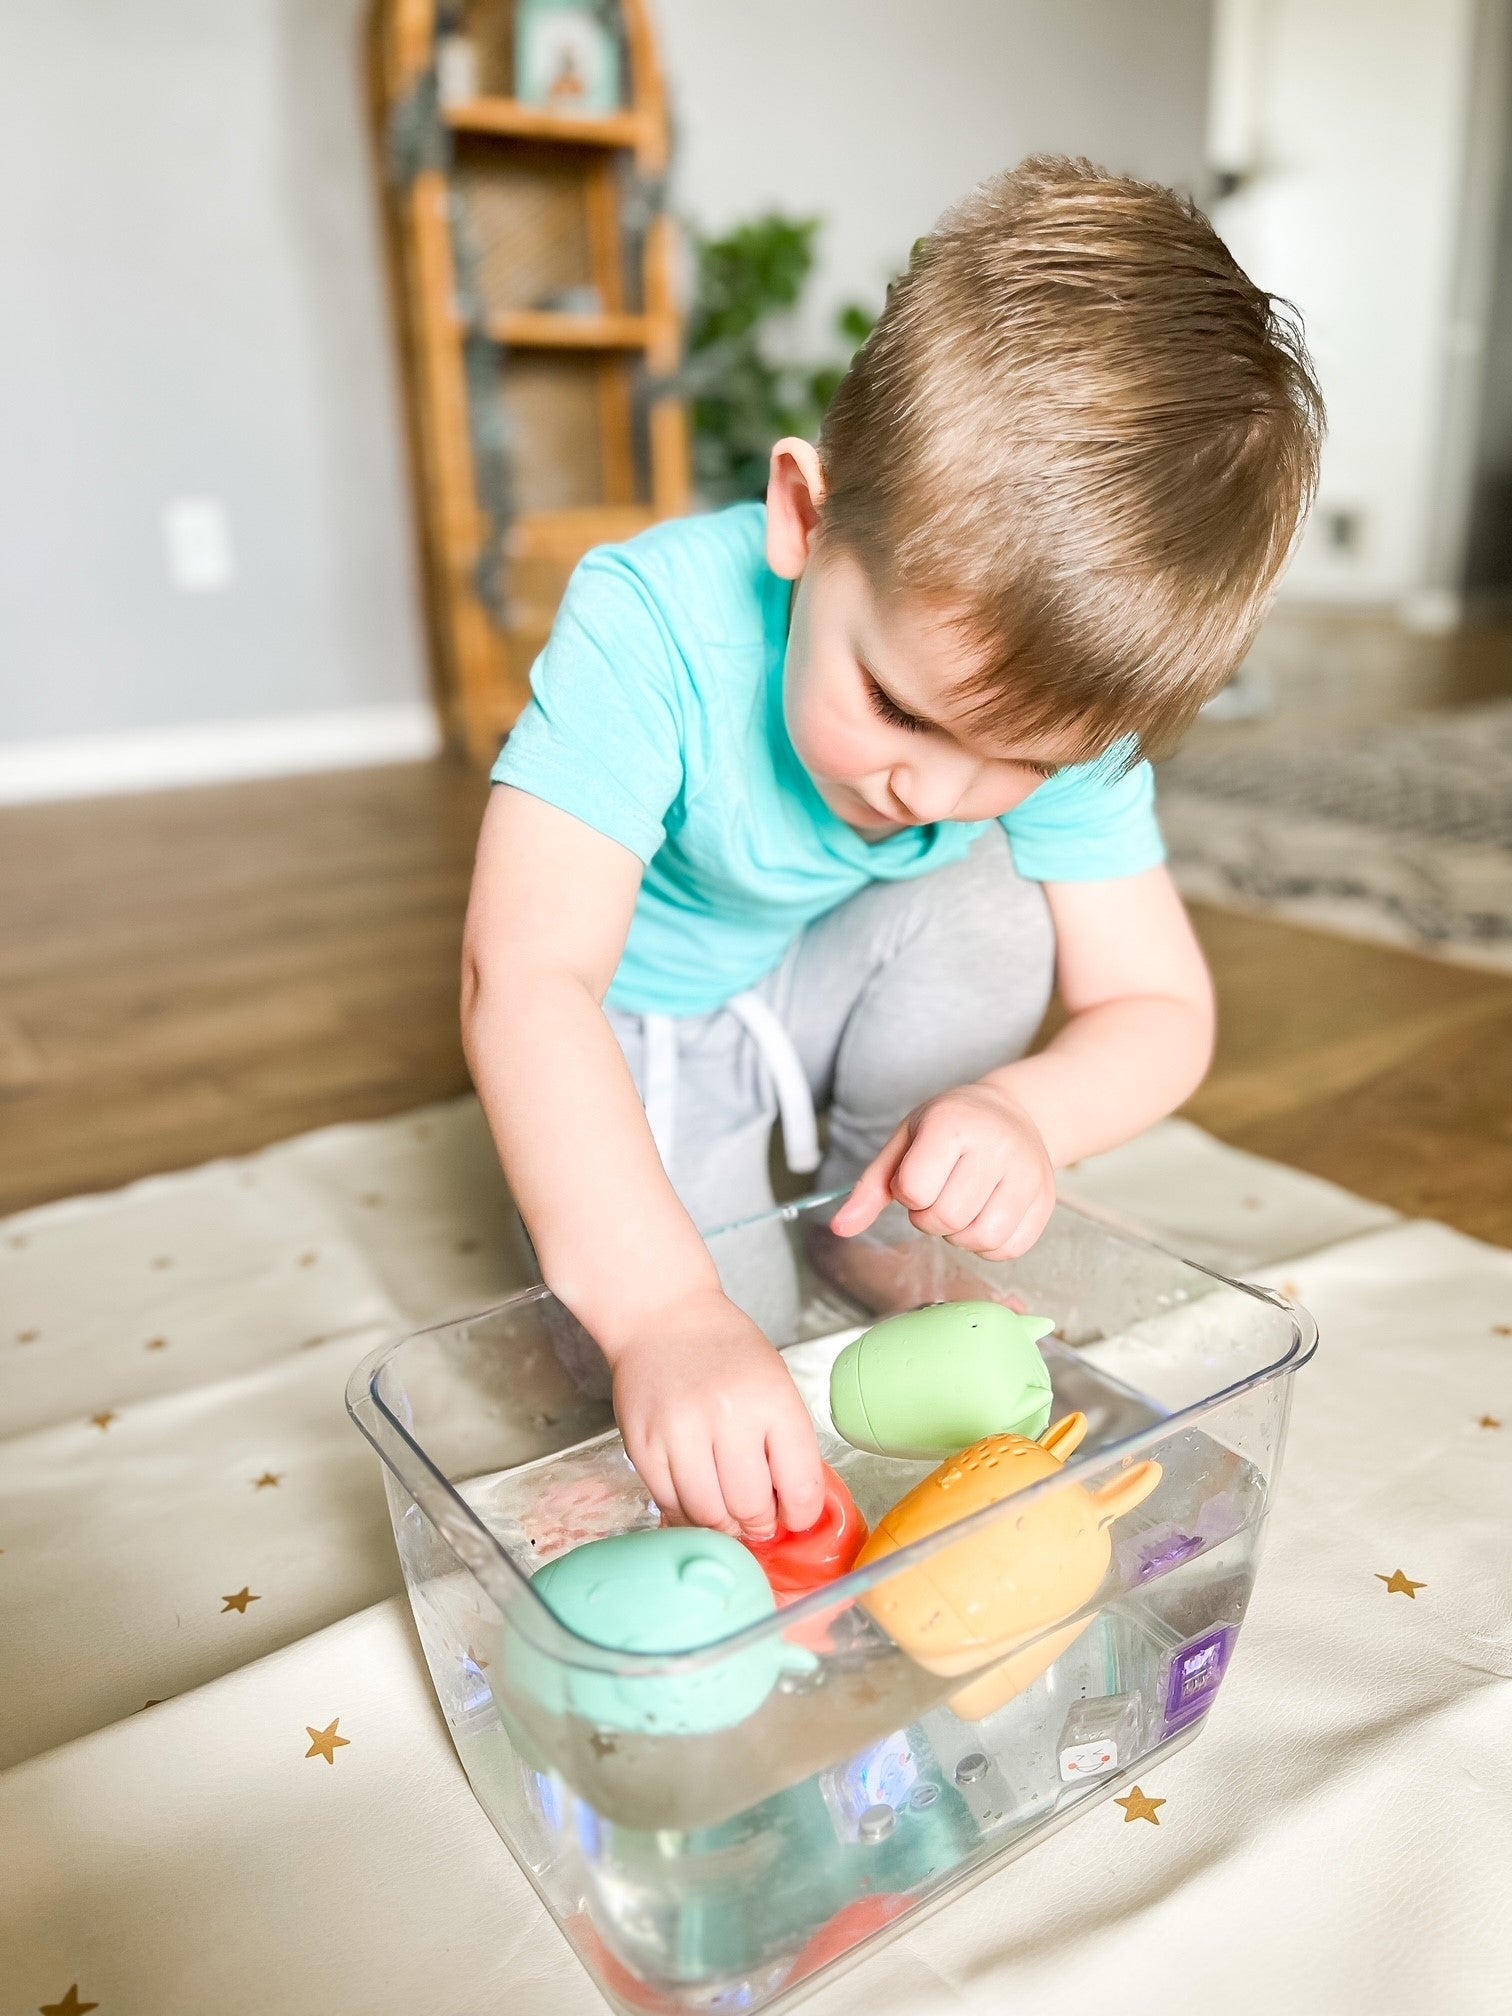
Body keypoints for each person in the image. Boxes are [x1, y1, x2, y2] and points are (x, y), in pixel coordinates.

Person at [462, 156, 1324, 1547]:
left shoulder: (1033, 712)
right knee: (709, 1372)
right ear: (805, 518)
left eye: (1027, 764)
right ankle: (722, 1264)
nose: (936, 789)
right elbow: (525, 982)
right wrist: (665, 1314)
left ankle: (873, 1217)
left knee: (991, 894)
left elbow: (1157, 1006)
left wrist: (1028, 1113)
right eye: (896, 708)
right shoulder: (650, 622)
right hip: (646, 1024)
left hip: (812, 986)